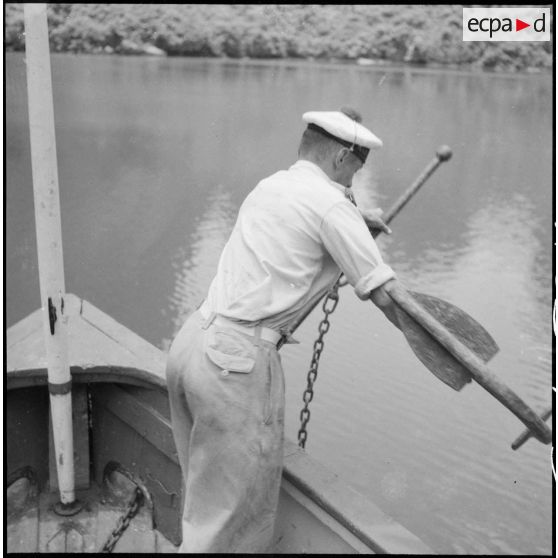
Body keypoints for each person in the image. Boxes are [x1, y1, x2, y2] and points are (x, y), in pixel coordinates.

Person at [166, 107, 399, 553]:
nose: (353, 178)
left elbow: (306, 227)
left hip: (192, 344)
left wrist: (355, 221)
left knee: (206, 505)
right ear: (341, 157)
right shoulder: (332, 206)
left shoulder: (272, 185)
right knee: (231, 523)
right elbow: (385, 295)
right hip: (234, 366)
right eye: (356, 167)